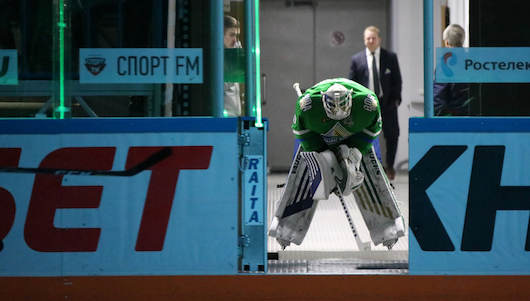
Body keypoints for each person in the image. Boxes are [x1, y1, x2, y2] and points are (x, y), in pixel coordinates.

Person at [292, 78, 382, 194]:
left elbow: (374, 128)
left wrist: (358, 150)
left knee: (359, 152)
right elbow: (300, 130)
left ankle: (355, 161)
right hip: (322, 128)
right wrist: (320, 152)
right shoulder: (306, 106)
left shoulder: (368, 103)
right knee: (303, 127)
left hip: (349, 128)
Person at [348, 26, 402, 180]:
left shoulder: (390, 57)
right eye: (368, 38)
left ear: (379, 39)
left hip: (387, 103)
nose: (371, 40)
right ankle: (364, 167)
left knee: (392, 135)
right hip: (366, 104)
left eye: (373, 38)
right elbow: (352, 83)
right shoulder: (357, 59)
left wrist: (396, 99)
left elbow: (397, 80)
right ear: (364, 40)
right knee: (364, 135)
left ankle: (389, 165)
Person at [434, 24, 470, 116]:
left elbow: (439, 97)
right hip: (471, 115)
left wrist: (433, 118)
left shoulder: (445, 64)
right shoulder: (472, 62)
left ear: (447, 42)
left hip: (453, 117)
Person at [223, 15, 242, 117]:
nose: (235, 40)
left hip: (235, 115)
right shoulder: (217, 58)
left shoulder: (232, 53)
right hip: (223, 116)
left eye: (237, 36)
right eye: (231, 35)